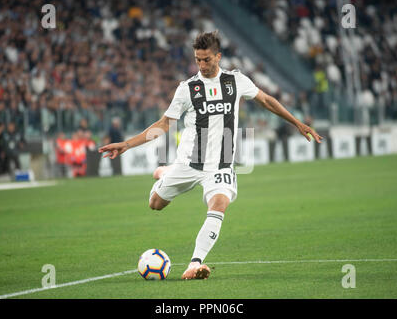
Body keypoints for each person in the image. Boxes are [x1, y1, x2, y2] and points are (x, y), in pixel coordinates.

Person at [99, 31, 322, 280]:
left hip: (221, 166)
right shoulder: (187, 89)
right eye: (198, 60)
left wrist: (297, 123)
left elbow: (267, 101)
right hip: (189, 163)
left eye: (207, 59)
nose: (202, 65)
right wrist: (127, 145)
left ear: (219, 56)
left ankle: (195, 264)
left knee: (218, 205)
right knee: (155, 204)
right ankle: (166, 172)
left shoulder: (235, 81)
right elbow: (163, 124)